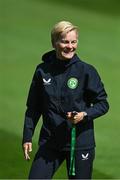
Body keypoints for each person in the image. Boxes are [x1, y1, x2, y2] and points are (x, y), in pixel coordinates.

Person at [22, 21, 109, 179]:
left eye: (73, 42)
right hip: (50, 141)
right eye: (65, 42)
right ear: (54, 43)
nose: (70, 46)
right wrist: (27, 136)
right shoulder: (42, 71)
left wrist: (84, 115)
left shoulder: (86, 71)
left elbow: (103, 104)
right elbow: (33, 107)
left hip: (80, 143)